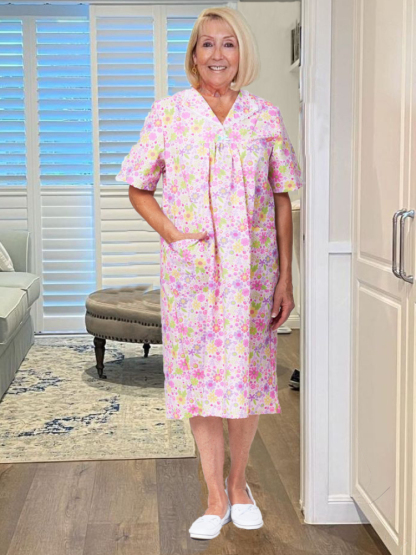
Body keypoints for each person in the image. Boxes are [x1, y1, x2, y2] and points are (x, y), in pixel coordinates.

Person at [115, 6, 303, 541]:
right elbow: (138, 186)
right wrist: (174, 235)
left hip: (253, 275)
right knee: (200, 382)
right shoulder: (169, 114)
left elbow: (281, 197)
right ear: (193, 54)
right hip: (193, 277)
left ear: (242, 53)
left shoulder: (264, 117)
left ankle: (239, 486)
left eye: (228, 43)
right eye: (207, 44)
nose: (217, 54)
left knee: (245, 377)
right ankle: (213, 496)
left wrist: (285, 278)